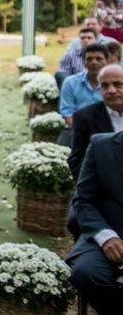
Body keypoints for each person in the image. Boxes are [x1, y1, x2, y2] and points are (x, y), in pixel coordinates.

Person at [66, 131, 123, 314]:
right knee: (86, 273)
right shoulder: (101, 145)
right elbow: (83, 200)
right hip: (108, 232)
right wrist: (106, 237)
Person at [68, 64, 123, 180]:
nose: (111, 91)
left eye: (118, 84)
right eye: (105, 86)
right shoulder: (84, 117)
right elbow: (76, 161)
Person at [60, 43, 109, 126]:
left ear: (107, 61)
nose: (94, 62)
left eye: (99, 59)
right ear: (83, 62)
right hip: (78, 127)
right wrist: (79, 133)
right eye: (89, 59)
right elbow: (68, 113)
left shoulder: (116, 84)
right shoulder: (70, 83)